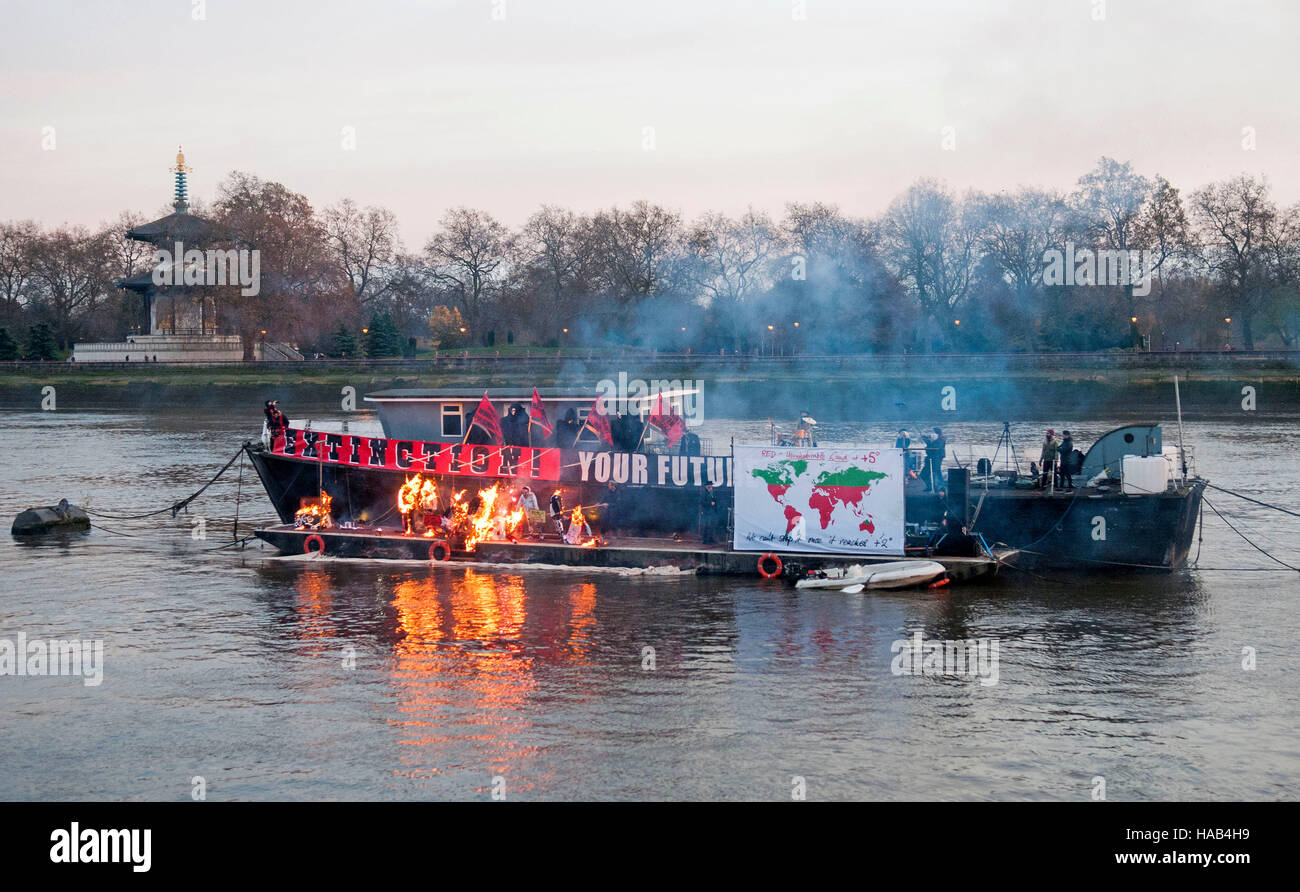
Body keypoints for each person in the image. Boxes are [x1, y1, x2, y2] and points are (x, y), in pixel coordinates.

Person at [922, 427, 945, 492]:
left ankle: (940, 488)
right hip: (930, 458)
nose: (932, 434)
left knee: (936, 472)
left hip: (937, 458)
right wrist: (927, 441)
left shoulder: (941, 439)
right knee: (924, 474)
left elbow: (936, 447)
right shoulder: (934, 439)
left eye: (934, 432)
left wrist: (929, 442)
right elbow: (930, 446)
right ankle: (929, 486)